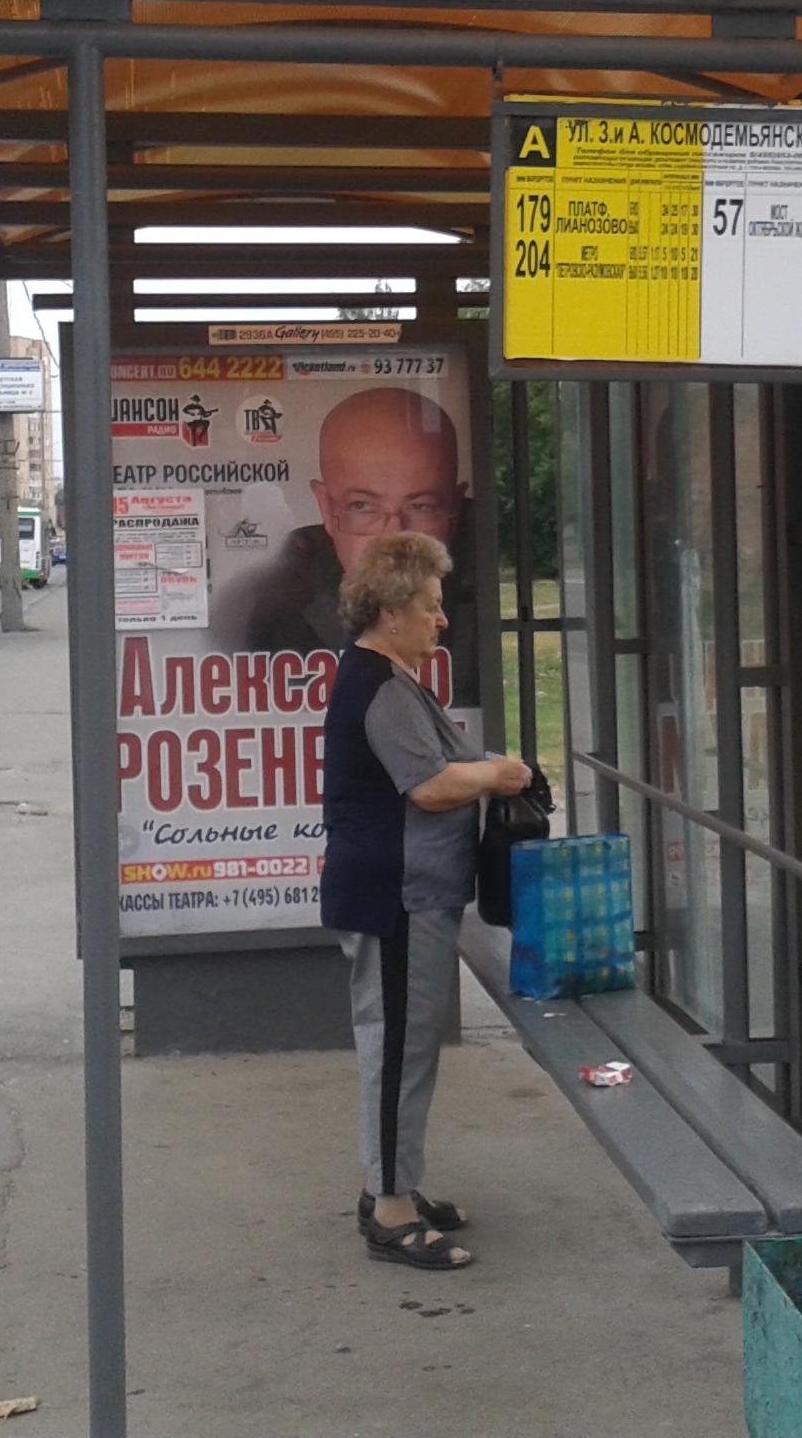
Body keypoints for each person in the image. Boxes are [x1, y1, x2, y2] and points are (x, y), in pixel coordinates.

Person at [321, 531, 531, 1271]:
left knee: (407, 1051)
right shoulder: (378, 685)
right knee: (398, 1052)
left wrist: (490, 771)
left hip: (414, 897)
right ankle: (389, 1211)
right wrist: (499, 775)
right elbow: (432, 785)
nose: (442, 620)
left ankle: (395, 1183)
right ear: (389, 611)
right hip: (395, 898)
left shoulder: (394, 678)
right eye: (431, 606)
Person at [226, 386, 478, 700]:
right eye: (362, 506)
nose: (393, 537)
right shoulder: (283, 612)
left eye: (422, 506)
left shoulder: (480, 597)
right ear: (327, 510)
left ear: (453, 509)